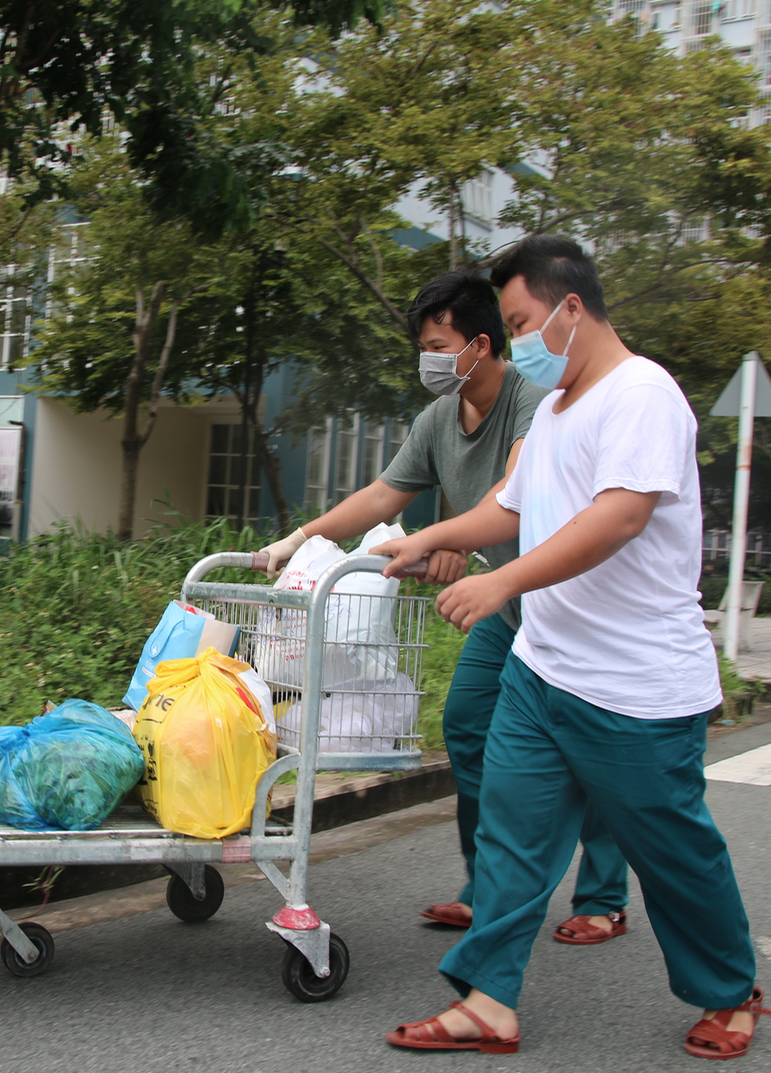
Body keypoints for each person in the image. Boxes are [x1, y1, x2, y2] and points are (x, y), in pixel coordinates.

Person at [374, 236, 770, 1060]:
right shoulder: (553, 412)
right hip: (543, 668)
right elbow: (509, 510)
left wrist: (504, 584)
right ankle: (488, 1001)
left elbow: (619, 516)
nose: (518, 342)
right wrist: (423, 539)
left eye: (521, 323)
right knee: (511, 840)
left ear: (572, 309)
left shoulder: (642, 394)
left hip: (635, 689)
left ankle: (729, 989)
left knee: (673, 854)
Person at [258, 270, 631, 947]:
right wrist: (302, 537)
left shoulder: (533, 403)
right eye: (423, 346)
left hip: (564, 599)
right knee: (465, 725)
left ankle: (603, 894)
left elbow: (509, 498)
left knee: (590, 747)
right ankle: (488, 886)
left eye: (438, 344)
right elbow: (380, 497)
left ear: (482, 344)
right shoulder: (438, 418)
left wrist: (443, 540)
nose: (428, 360)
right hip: (501, 601)